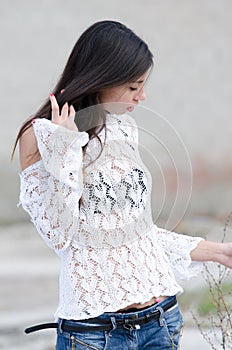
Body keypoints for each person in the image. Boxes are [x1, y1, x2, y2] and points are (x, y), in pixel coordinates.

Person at [13, 20, 232, 350]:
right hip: (94, 335)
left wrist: (218, 251)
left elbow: (133, 232)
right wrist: (65, 147)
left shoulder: (125, 129)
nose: (142, 96)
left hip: (159, 323)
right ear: (101, 78)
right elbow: (59, 233)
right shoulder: (40, 137)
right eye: (133, 87)